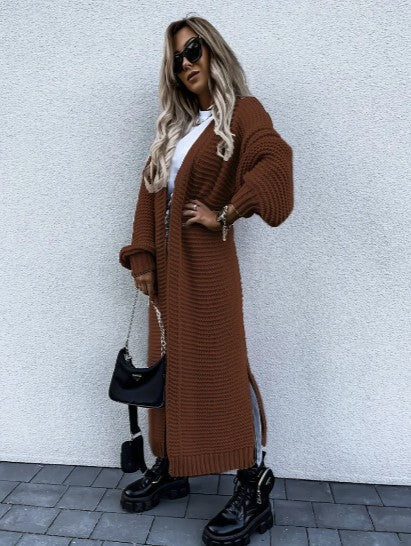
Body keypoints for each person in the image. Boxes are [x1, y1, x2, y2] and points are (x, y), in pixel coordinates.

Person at [118, 15, 293, 545]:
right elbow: (150, 192)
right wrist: (143, 258)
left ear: (213, 50)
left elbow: (275, 161)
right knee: (170, 369)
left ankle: (252, 485)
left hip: (208, 271)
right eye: (177, 58)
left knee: (221, 368)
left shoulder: (242, 113)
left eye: (193, 49)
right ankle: (173, 466)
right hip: (168, 278)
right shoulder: (175, 128)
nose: (186, 63)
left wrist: (229, 210)